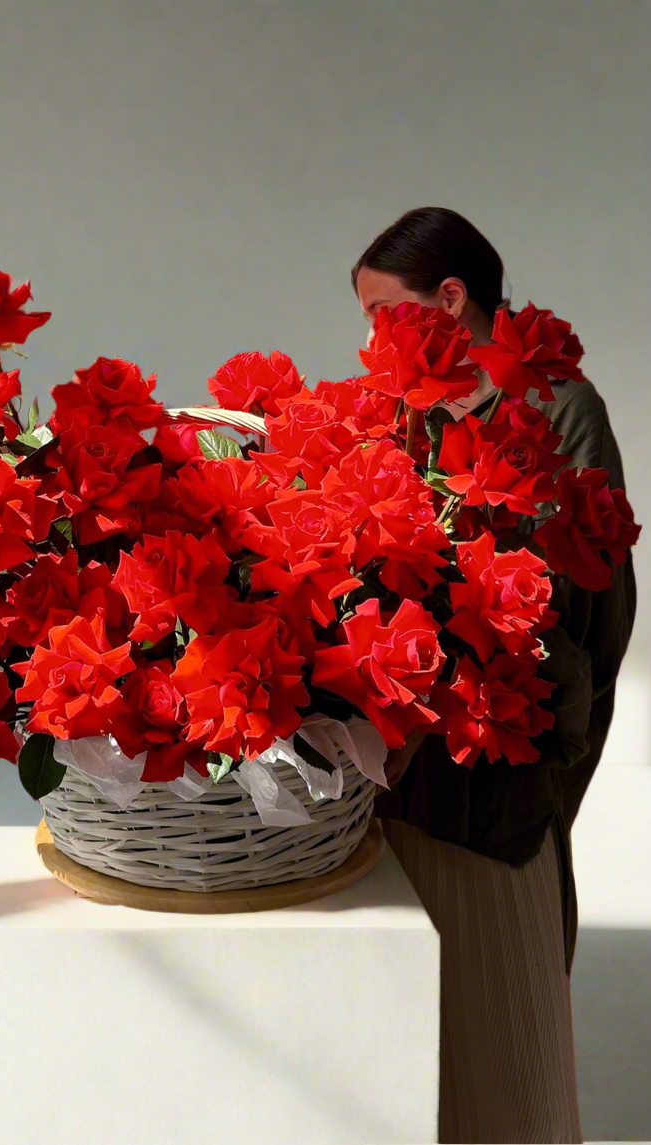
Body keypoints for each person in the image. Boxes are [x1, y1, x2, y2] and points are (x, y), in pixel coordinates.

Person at [351, 206, 637, 1144]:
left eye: (384, 311)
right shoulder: (400, 409)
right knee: (403, 1029)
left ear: (450, 296)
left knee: (502, 1030)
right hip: (403, 753)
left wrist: (549, 723)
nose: (369, 338)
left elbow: (599, 596)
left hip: (503, 756)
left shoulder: (560, 406)